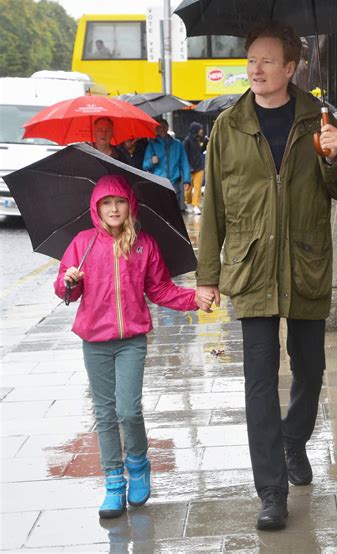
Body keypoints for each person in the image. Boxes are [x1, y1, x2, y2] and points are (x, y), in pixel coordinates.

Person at [196, 20, 337, 531]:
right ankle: (271, 491)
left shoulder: (320, 119)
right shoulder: (229, 125)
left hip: (305, 263)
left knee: (310, 368)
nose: (256, 69)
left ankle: (294, 439)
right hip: (251, 268)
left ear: (292, 68)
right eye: (251, 60)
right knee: (258, 383)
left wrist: (333, 157)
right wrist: (207, 275)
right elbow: (214, 205)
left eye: (268, 60)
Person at [54, 174, 213, 519]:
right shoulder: (83, 243)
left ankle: (139, 464)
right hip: (94, 341)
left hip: (132, 342)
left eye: (119, 202)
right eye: (106, 203)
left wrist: (194, 299)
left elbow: (161, 290)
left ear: (130, 206)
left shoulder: (144, 245)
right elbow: (66, 292)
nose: (113, 208)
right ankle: (114, 482)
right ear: (96, 209)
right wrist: (68, 281)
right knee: (105, 414)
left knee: (129, 410)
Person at [142, 119, 191, 211]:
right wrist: (151, 162)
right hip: (158, 183)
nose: (162, 129)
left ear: (167, 127)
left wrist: (187, 180)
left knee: (174, 210)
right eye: (159, 127)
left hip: (174, 183)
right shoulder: (152, 145)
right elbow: (144, 165)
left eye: (164, 127)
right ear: (156, 129)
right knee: (160, 210)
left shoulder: (178, 144)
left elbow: (184, 163)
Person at [183, 122, 206, 215]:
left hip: (199, 167)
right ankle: (188, 202)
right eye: (200, 129)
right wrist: (188, 167)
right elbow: (185, 155)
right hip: (190, 168)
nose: (202, 131)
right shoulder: (187, 141)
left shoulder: (199, 140)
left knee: (198, 188)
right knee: (188, 189)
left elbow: (200, 151)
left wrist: (204, 143)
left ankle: (196, 205)